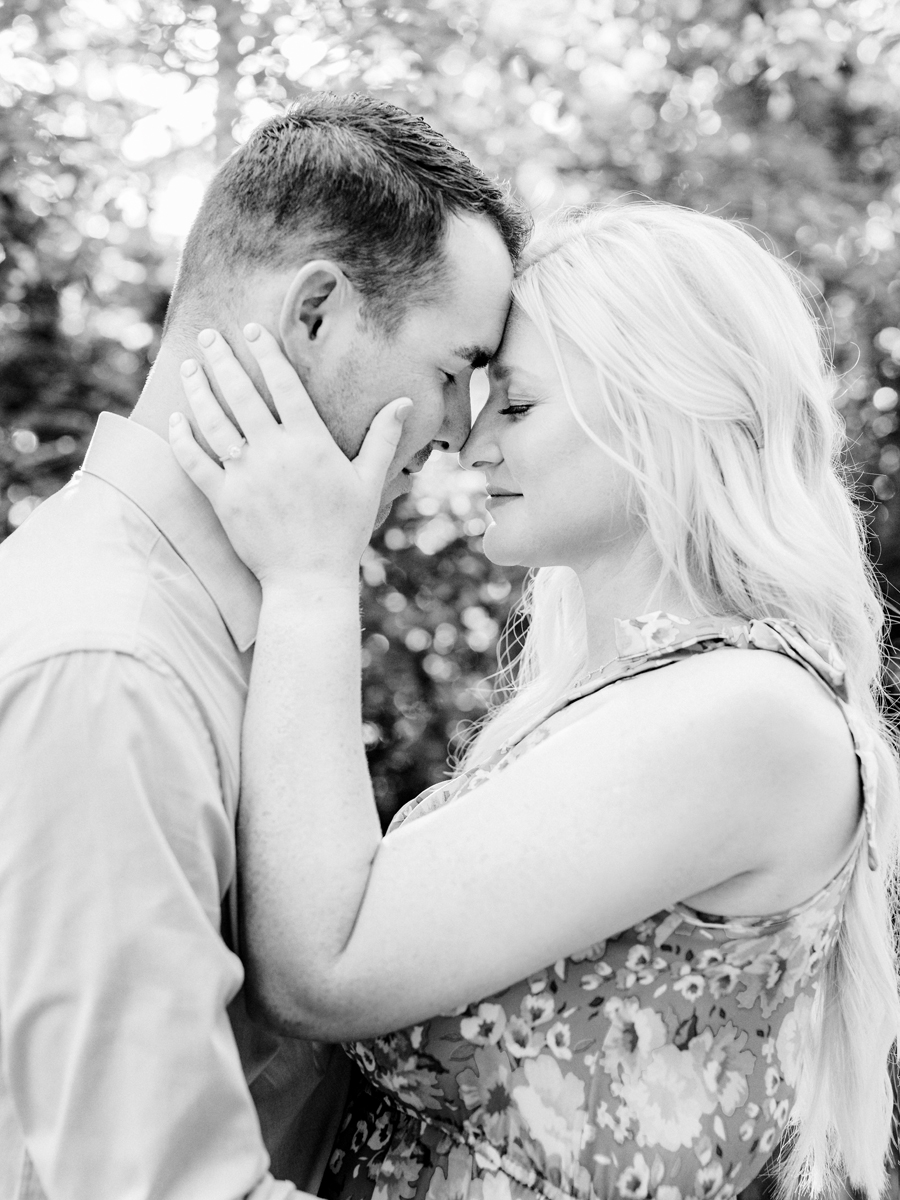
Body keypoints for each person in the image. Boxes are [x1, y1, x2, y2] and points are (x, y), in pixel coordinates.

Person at [169, 202, 900, 1200]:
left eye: (515, 406)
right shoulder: (635, 698)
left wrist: (310, 576)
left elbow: (321, 968)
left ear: (661, 411)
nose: (469, 448)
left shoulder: (748, 716)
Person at [0, 93, 528, 1200]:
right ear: (317, 312)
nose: (458, 429)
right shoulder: (110, 672)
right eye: (451, 369)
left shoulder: (227, 614)